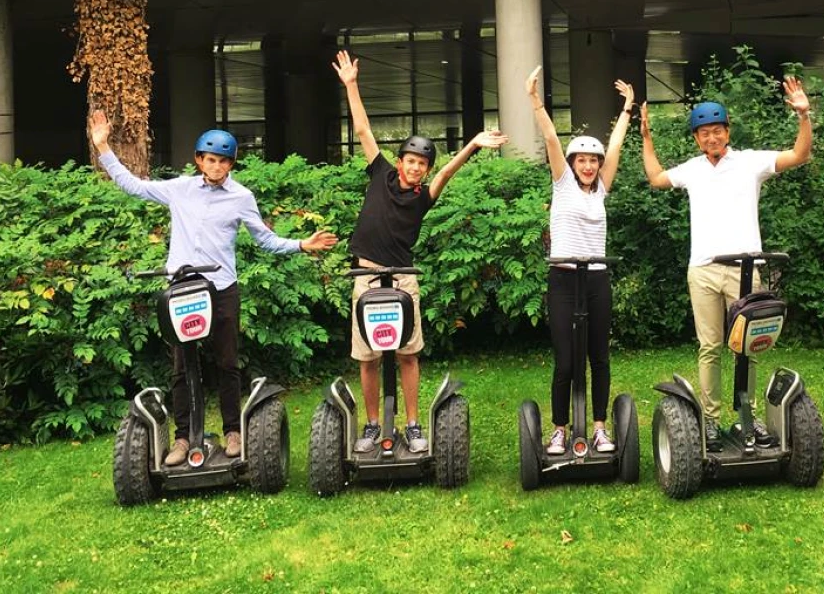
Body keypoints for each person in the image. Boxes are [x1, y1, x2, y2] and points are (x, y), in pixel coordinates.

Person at [89, 111, 337, 465]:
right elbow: (135, 187)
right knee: (181, 365)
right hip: (183, 288)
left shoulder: (241, 197)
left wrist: (301, 244)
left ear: (231, 164)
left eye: (223, 161)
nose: (217, 166)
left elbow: (264, 240)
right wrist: (103, 147)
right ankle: (182, 438)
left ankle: (233, 431)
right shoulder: (180, 189)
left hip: (221, 288)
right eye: (211, 160)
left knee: (226, 362)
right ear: (199, 161)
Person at [333, 50, 507, 454]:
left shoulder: (425, 196)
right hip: (366, 275)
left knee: (408, 353)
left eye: (422, 165)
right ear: (399, 162)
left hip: (403, 276)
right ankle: (373, 425)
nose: (416, 168)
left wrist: (474, 145)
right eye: (410, 161)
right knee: (369, 355)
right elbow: (361, 130)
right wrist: (352, 85)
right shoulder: (379, 174)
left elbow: (449, 171)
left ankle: (412, 425)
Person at [641, 77, 811, 450]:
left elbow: (799, 156)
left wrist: (803, 115)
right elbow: (655, 178)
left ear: (727, 131)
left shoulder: (751, 163)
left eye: (717, 131)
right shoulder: (692, 169)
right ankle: (712, 421)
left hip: (745, 268)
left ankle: (747, 417)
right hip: (702, 269)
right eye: (704, 134)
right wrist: (647, 137)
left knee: (749, 345)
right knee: (710, 346)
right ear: (696, 138)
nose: (711, 138)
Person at [526, 65, 634, 456]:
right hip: (563, 280)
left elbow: (617, 148)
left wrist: (627, 110)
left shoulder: (601, 190)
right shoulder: (562, 185)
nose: (589, 166)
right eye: (582, 160)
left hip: (596, 281)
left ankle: (601, 427)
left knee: (599, 357)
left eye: (594, 160)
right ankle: (559, 429)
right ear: (572, 164)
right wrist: (535, 100)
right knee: (567, 361)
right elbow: (552, 138)